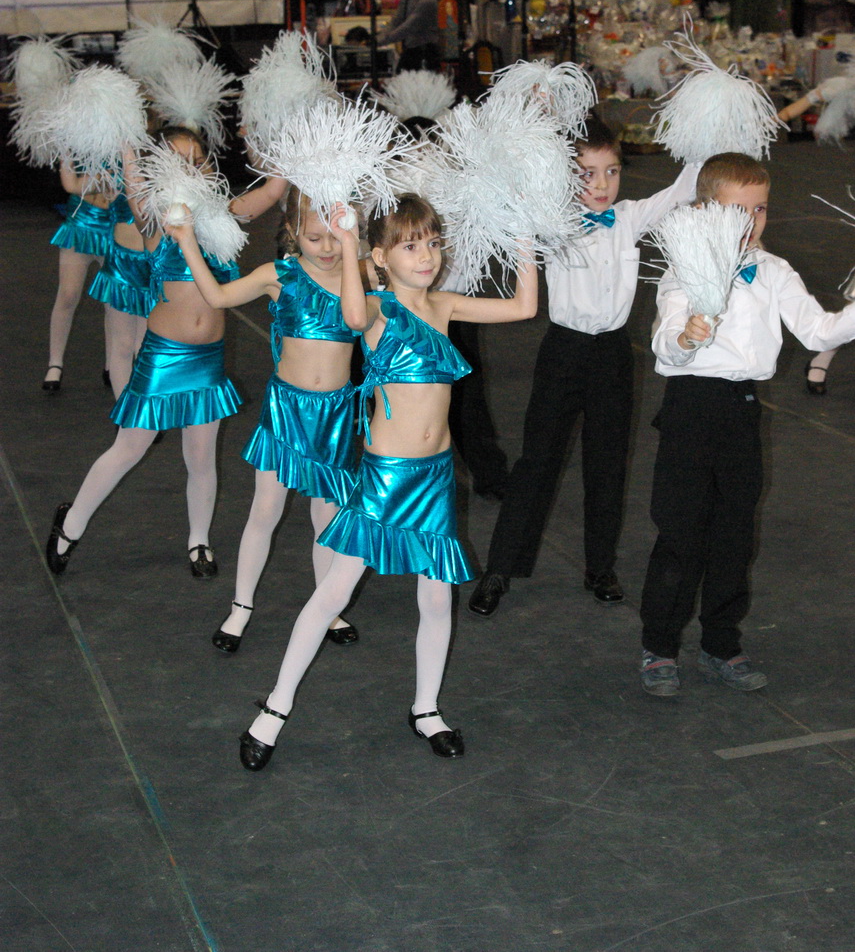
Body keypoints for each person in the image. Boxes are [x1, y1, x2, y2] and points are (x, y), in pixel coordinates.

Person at [237, 193, 537, 771]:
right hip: (384, 478)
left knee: (437, 597)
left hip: (435, 478)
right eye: (410, 246)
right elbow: (351, 317)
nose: (426, 256)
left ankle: (426, 708)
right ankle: (274, 708)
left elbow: (525, 306)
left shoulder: (445, 305)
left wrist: (524, 227)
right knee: (334, 591)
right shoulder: (376, 309)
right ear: (381, 257)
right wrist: (349, 239)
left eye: (432, 243)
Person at [638, 152, 855, 697]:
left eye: (760, 209)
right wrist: (686, 337)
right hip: (690, 409)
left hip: (742, 410)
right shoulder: (683, 269)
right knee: (681, 531)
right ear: (704, 210)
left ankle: (721, 642)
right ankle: (659, 645)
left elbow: (819, 331)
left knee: (735, 533)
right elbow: (665, 344)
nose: (752, 222)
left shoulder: (774, 270)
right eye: (739, 210)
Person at [468, 116, 699, 618]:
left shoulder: (630, 217)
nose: (601, 184)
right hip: (564, 353)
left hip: (612, 355)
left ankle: (600, 567)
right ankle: (500, 568)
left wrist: (706, 135)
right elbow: (508, 196)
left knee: (608, 463)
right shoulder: (549, 220)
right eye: (588, 173)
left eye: (611, 171)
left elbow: (683, 189)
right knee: (537, 462)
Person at [45, 128, 284, 580]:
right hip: (163, 355)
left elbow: (272, 191)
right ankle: (69, 525)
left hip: (208, 359)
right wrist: (125, 142)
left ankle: (199, 540)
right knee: (130, 446)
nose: (188, 168)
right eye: (176, 159)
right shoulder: (155, 219)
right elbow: (134, 185)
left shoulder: (225, 215)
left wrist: (284, 148)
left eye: (196, 159)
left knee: (202, 455)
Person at [167, 186, 364, 652]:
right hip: (287, 411)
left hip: (335, 415)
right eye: (314, 238)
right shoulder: (279, 275)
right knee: (265, 509)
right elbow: (217, 296)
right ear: (293, 233)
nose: (327, 248)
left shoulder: (359, 276)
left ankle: (327, 607)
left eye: (335, 236)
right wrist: (187, 240)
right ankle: (241, 606)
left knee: (327, 517)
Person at [43, 161, 113, 393]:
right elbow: (71, 185)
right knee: (68, 294)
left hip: (113, 230)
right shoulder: (76, 146)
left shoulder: (128, 147)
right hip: (80, 225)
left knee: (112, 302)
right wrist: (103, 178)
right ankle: (55, 363)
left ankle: (112, 363)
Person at [86, 184, 150, 399]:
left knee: (146, 345)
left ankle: (142, 405)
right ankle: (123, 409)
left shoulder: (169, 173)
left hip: (155, 267)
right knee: (122, 343)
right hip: (121, 268)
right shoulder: (115, 174)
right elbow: (77, 188)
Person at [376, 0, 441, 73]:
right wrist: (377, 38)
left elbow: (408, 27)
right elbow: (396, 21)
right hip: (411, 51)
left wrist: (380, 41)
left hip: (424, 54)